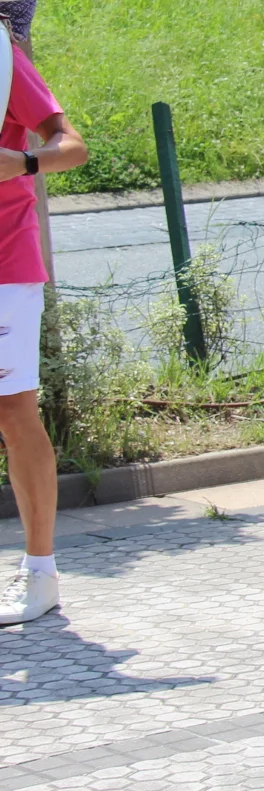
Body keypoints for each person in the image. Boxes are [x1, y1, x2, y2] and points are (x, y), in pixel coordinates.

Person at [0, 38, 88, 626]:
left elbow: (71, 145)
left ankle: (40, 572)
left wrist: (23, 162)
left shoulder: (2, 58)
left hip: (5, 264)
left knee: (13, 412)